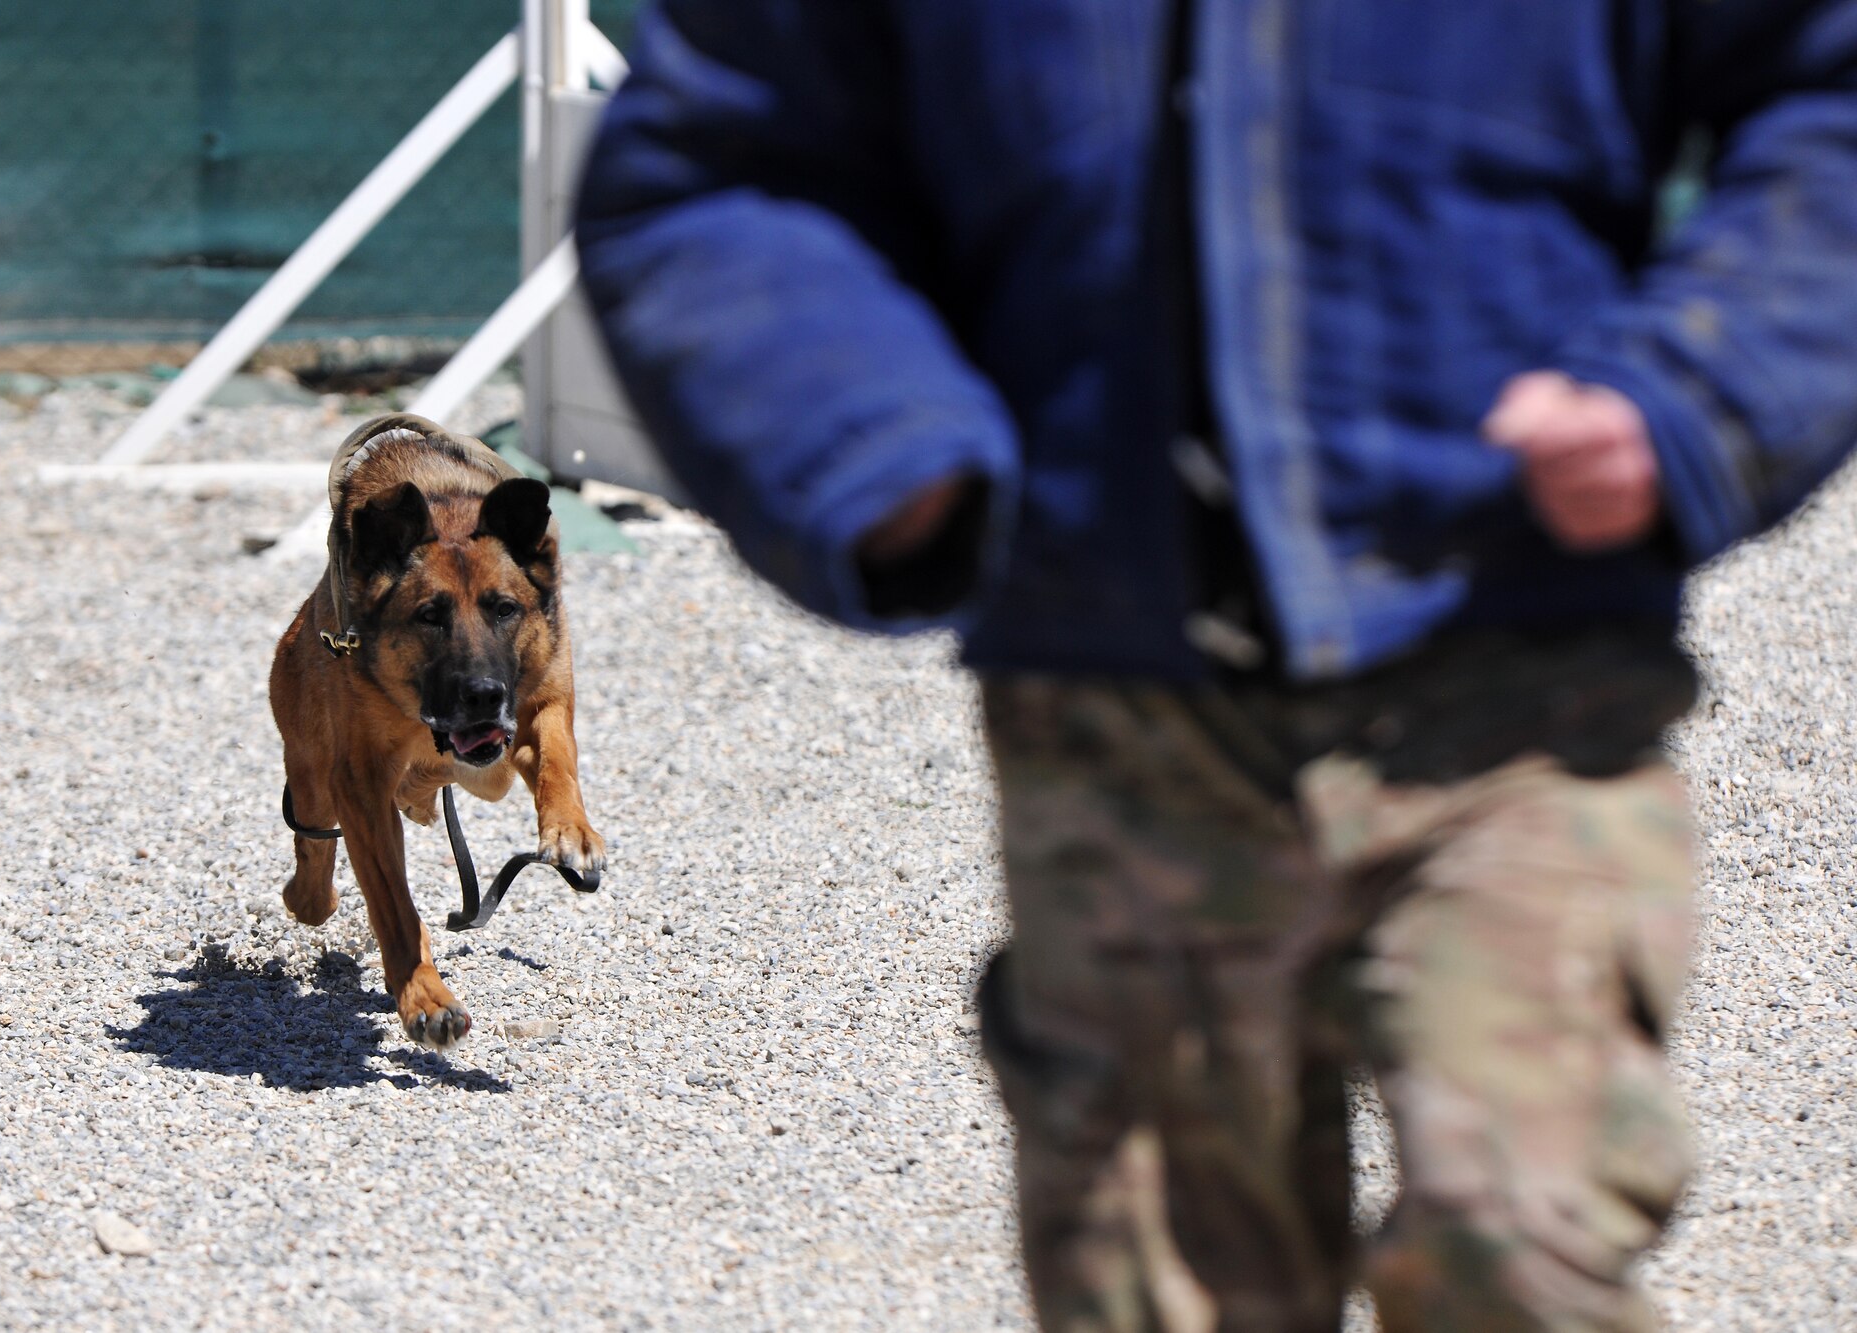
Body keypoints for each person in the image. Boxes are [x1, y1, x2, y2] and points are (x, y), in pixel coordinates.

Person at [573, 2, 1857, 1328]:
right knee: (1161, 1289)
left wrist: (1699, 389)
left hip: (1513, 674)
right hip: (1115, 701)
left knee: (1516, 1243)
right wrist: (864, 434)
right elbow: (715, 170)